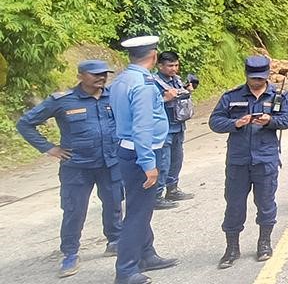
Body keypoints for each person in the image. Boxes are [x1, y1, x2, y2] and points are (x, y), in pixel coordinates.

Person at [17, 60, 124, 278]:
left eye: (104, 74)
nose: (101, 78)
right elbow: (25, 124)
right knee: (74, 211)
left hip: (110, 163)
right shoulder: (63, 101)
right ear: (80, 76)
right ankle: (70, 254)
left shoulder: (112, 96)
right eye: (95, 74)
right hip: (77, 167)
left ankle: (115, 241)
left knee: (114, 203)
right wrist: (49, 148)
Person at [209, 55, 288, 269]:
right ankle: (231, 248)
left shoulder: (279, 95)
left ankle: (264, 243)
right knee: (234, 205)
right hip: (238, 160)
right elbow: (214, 121)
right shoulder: (232, 96)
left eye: (260, 78)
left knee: (266, 203)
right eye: (253, 78)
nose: (256, 82)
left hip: (265, 159)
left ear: (267, 75)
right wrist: (235, 123)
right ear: (246, 75)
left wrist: (270, 121)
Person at [109, 35, 179, 284]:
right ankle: (126, 269)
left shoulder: (122, 80)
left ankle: (147, 253)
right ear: (153, 55)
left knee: (142, 208)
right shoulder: (143, 84)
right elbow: (142, 127)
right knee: (138, 213)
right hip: (142, 152)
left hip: (128, 150)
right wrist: (148, 164)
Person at [153, 51, 195, 208]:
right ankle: (157, 195)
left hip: (178, 124)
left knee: (177, 159)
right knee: (163, 161)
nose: (174, 69)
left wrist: (188, 90)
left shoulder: (176, 80)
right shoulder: (153, 83)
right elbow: (149, 104)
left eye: (176, 65)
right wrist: (165, 98)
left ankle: (173, 189)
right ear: (160, 65)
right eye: (170, 65)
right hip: (164, 127)